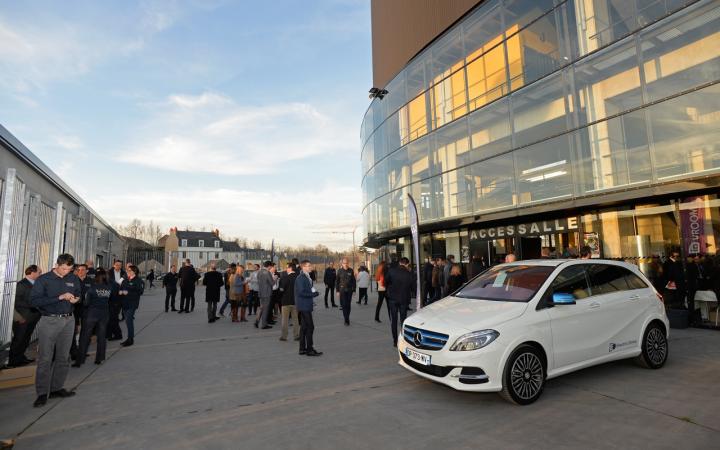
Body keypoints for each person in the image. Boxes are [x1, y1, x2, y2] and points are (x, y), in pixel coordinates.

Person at [30, 253, 81, 407]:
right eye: (64, 268)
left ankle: (56, 389)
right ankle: (41, 393)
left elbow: (79, 293)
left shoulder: (73, 278)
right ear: (57, 265)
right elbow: (34, 301)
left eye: (69, 269)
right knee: (45, 358)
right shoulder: (44, 279)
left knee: (63, 357)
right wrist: (59, 297)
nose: (66, 272)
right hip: (50, 320)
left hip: (68, 320)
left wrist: (76, 299)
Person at [74, 269, 111, 367]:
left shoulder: (92, 288)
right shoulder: (109, 288)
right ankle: (100, 358)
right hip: (104, 314)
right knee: (102, 337)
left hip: (91, 314)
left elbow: (86, 303)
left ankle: (79, 361)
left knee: (85, 336)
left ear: (96, 277)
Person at [7, 265, 42, 367]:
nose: (40, 274)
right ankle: (13, 362)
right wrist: (32, 305)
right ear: (32, 273)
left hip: (32, 317)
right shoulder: (21, 285)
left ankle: (21, 358)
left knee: (26, 339)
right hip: (22, 318)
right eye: (39, 272)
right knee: (19, 339)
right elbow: (16, 302)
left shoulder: (36, 284)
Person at [385, 257, 415, 347]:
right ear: (406, 264)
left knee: (394, 320)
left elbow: (386, 282)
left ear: (400, 263)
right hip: (404, 299)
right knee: (403, 320)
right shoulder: (409, 274)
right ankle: (403, 339)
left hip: (393, 299)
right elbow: (413, 288)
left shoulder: (391, 271)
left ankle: (395, 341)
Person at [295, 260, 321, 356]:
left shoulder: (306, 277)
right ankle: (310, 349)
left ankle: (302, 349)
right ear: (303, 267)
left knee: (304, 327)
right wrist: (313, 294)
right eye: (309, 265)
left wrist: (313, 293)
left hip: (305, 305)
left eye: (310, 265)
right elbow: (301, 292)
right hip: (304, 305)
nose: (311, 267)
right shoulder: (301, 278)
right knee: (310, 327)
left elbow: (306, 289)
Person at [70, 264, 92, 361]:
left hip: (87, 309)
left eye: (82, 270)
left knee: (86, 330)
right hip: (74, 308)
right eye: (78, 270)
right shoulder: (72, 280)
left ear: (87, 271)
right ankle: (74, 352)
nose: (80, 271)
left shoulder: (91, 281)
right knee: (72, 331)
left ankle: (82, 351)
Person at [119, 265, 144, 347]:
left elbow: (140, 292)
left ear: (134, 271)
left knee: (129, 320)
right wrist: (121, 292)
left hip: (132, 304)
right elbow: (121, 288)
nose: (127, 271)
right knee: (127, 321)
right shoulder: (125, 279)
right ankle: (129, 338)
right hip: (124, 303)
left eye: (129, 270)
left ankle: (130, 339)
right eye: (127, 270)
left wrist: (128, 292)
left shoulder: (138, 280)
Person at [278, 263, 299, 342]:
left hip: (285, 302)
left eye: (287, 268)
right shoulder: (298, 277)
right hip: (295, 301)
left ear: (290, 268)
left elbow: (281, 290)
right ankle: (296, 335)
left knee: (285, 320)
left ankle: (284, 336)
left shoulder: (285, 278)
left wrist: (280, 297)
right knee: (295, 319)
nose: (286, 269)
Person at [107, 260, 126, 341]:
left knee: (113, 317)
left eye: (120, 265)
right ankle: (111, 334)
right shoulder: (109, 272)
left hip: (119, 298)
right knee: (112, 317)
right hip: (110, 297)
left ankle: (114, 334)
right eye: (117, 265)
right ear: (114, 265)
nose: (118, 266)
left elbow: (126, 285)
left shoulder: (124, 274)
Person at [336, 258, 356, 326]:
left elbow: (353, 281)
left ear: (348, 263)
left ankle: (347, 317)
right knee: (344, 305)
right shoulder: (339, 271)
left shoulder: (351, 270)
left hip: (349, 290)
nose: (345, 264)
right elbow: (337, 281)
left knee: (348, 305)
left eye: (347, 263)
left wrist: (354, 290)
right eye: (344, 263)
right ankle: (346, 319)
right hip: (342, 290)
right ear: (342, 264)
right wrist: (337, 291)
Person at [255, 261, 274, 329]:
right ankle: (264, 324)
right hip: (267, 293)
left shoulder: (259, 272)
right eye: (271, 266)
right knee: (265, 309)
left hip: (260, 292)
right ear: (269, 266)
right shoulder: (267, 272)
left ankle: (257, 321)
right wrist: (275, 278)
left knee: (261, 307)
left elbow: (258, 281)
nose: (271, 268)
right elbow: (272, 283)